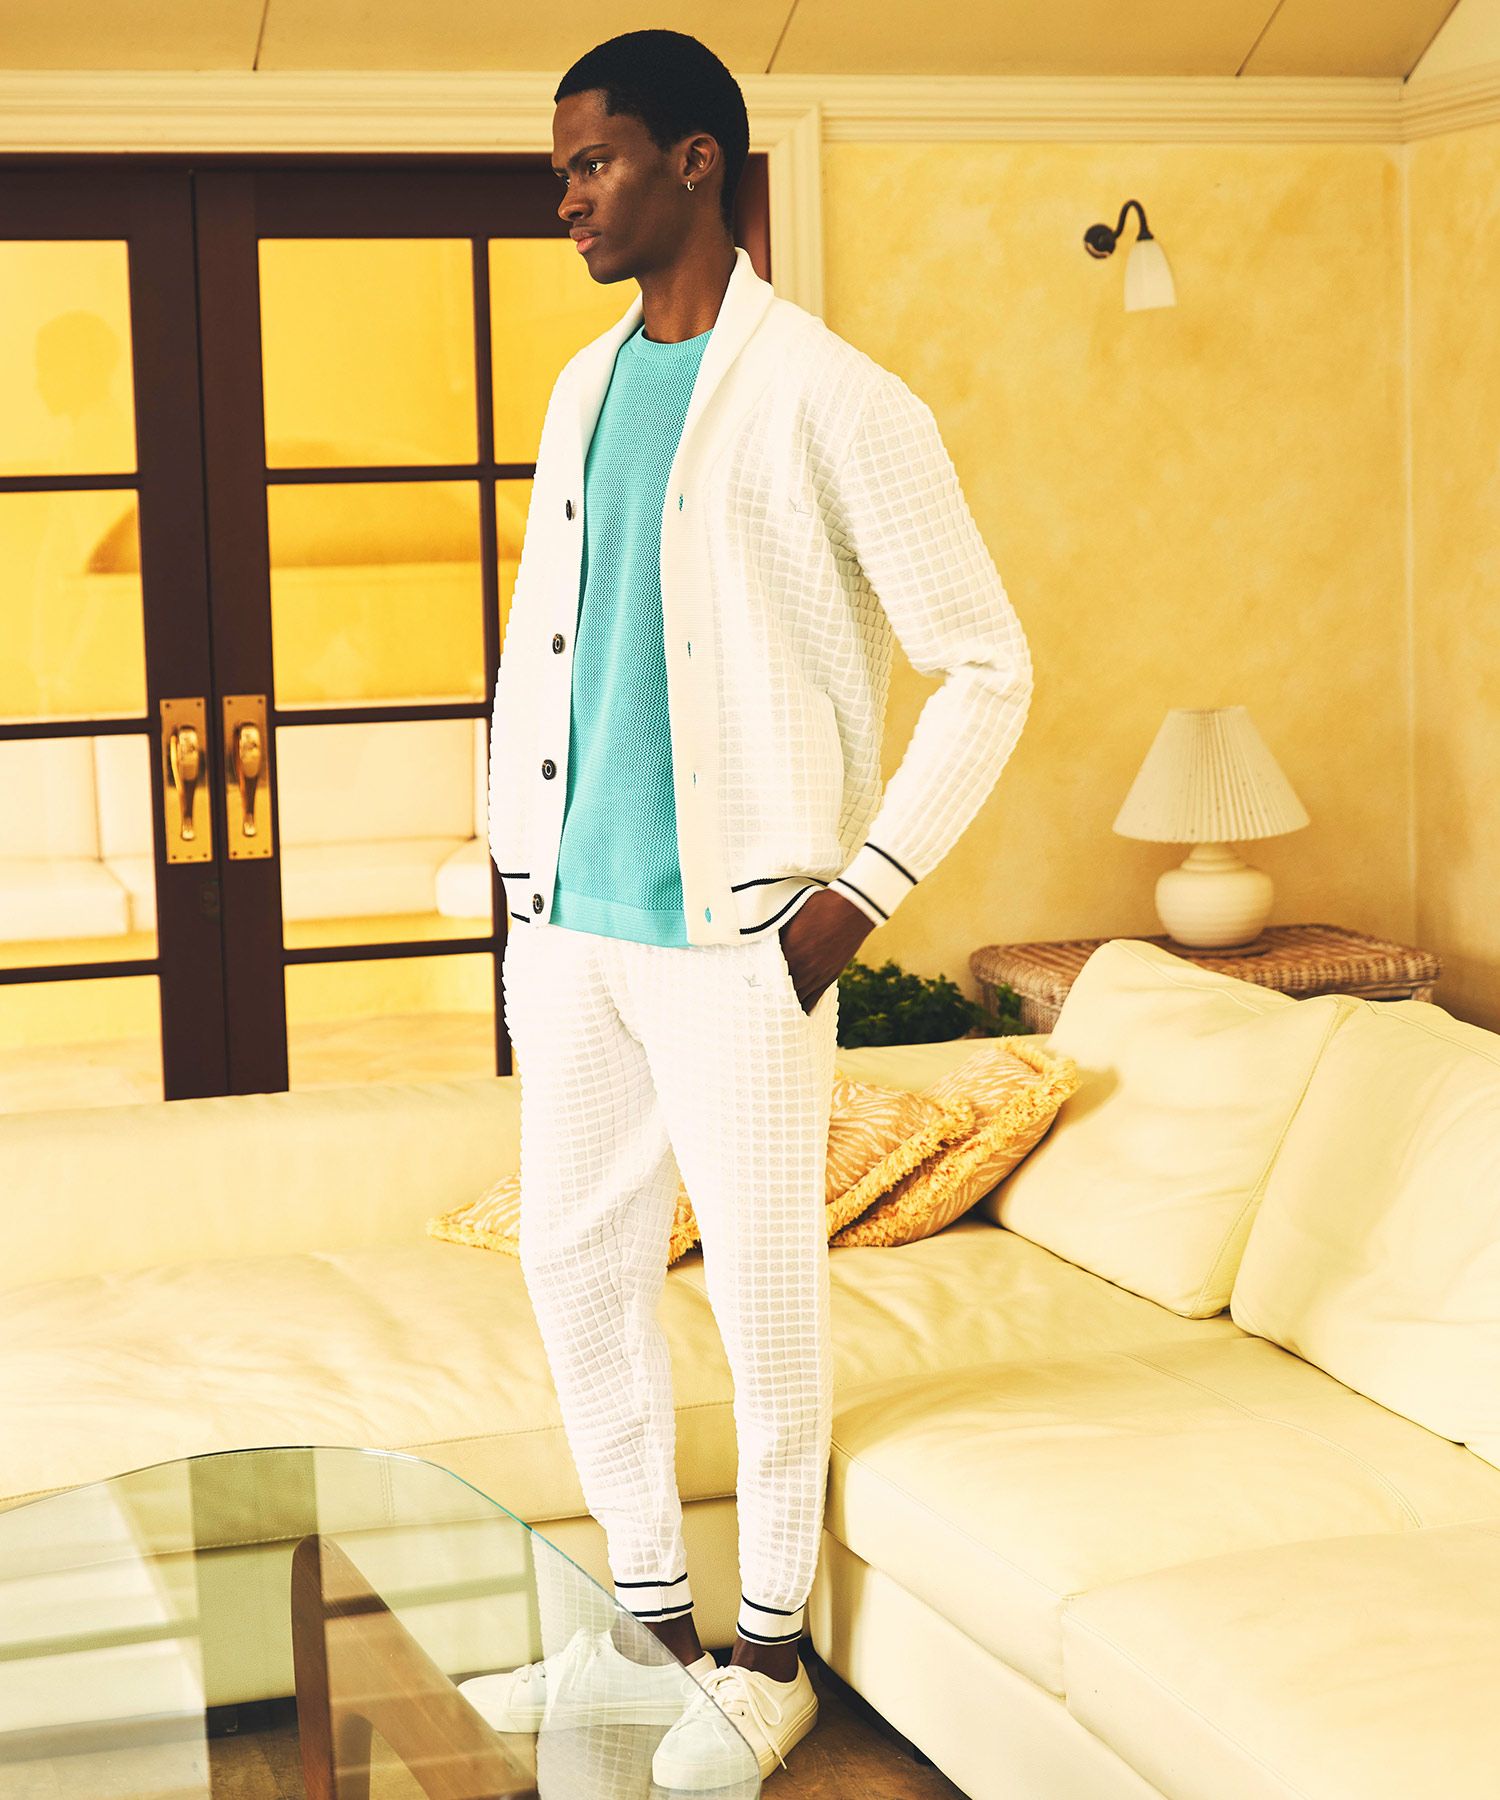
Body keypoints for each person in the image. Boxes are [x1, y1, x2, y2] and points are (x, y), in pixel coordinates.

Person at [480, 28, 1034, 1787]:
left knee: (763, 1287)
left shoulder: (839, 399)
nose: (569, 198)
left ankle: (771, 1652)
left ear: (697, 161)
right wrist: (515, 864)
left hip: (741, 942)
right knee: (575, 1262)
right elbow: (557, 645)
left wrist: (855, 899)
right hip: (572, 927)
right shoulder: (581, 388)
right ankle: (648, 1628)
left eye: (594, 164)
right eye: (563, 171)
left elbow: (988, 666)